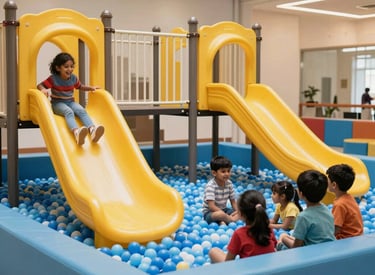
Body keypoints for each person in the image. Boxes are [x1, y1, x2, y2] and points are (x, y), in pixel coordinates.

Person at [37, 52, 104, 146]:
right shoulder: (53, 79)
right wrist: (43, 90)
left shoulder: (73, 78)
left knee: (81, 110)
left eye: (72, 66)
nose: (70, 69)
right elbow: (40, 85)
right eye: (66, 66)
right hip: (58, 104)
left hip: (70, 102)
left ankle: (92, 131)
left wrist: (91, 88)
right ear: (58, 68)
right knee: (69, 112)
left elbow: (80, 86)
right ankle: (76, 133)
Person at [209, 190, 277, 263]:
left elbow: (228, 262)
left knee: (213, 251)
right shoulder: (268, 229)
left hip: (247, 271)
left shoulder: (239, 234)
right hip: (269, 269)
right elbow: (274, 246)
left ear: (241, 214)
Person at [277, 170, 335, 249]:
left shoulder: (303, 217)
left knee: (283, 237)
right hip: (328, 247)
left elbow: (296, 247)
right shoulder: (326, 209)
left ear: (300, 194)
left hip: (310, 253)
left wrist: (282, 240)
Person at [326, 164, 363, 240]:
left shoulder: (340, 204)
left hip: (345, 239)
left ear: (334, 185)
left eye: (328, 180)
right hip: (357, 236)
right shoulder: (349, 197)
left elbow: (335, 229)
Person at [202, 156, 239, 225]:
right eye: (223, 171)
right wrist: (225, 215)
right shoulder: (210, 186)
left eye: (228, 171)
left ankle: (223, 221)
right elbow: (211, 206)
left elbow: (233, 202)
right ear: (214, 173)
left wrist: (237, 211)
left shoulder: (229, 184)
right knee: (219, 215)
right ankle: (227, 220)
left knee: (241, 213)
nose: (227, 174)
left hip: (224, 210)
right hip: (210, 213)